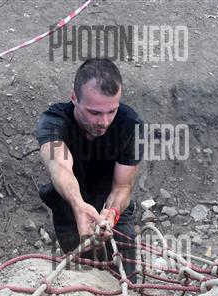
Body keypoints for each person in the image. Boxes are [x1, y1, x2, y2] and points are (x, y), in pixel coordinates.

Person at [35, 58, 144, 281]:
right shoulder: (54, 122)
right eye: (94, 113)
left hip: (112, 210)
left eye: (111, 111)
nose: (104, 121)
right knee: (81, 278)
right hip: (70, 210)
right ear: (74, 98)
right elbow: (59, 165)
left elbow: (123, 186)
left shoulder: (130, 125)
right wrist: (78, 205)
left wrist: (111, 214)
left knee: (127, 280)